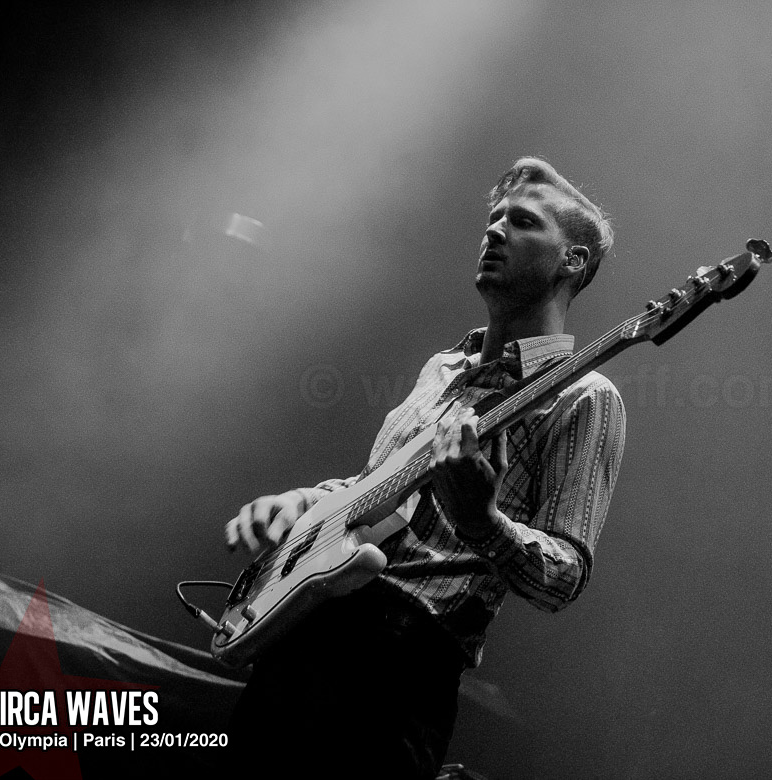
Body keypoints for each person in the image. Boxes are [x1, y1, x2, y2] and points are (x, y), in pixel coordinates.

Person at [224, 157, 626, 778]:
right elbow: (374, 492)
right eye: (494, 218)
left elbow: (564, 577)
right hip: (305, 633)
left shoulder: (585, 396)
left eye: (523, 222)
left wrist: (483, 522)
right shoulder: (442, 368)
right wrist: (301, 502)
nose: (494, 231)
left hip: (399, 669)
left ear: (571, 261)